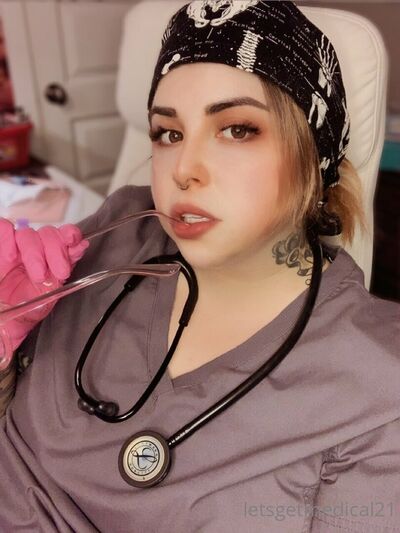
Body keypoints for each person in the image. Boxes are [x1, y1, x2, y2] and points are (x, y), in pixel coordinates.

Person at [0, 1, 399, 531]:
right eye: (168, 133)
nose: (183, 169)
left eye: (237, 129)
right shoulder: (117, 231)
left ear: (314, 154)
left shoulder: (380, 384)